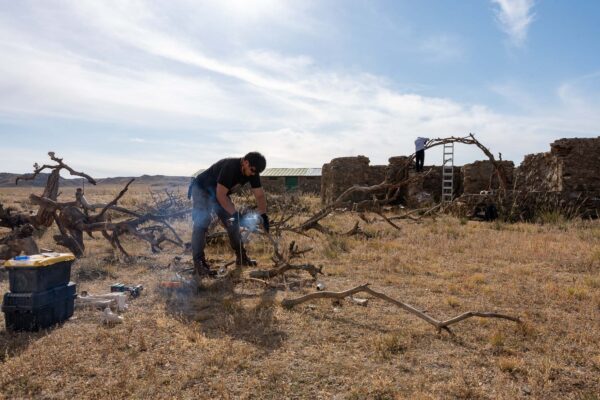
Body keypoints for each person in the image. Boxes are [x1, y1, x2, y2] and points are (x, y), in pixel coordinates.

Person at [188, 152, 270, 278]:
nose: (253, 174)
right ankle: (199, 264)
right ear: (246, 162)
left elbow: (259, 195)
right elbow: (221, 195)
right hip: (201, 189)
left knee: (232, 223)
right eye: (252, 170)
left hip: (218, 194)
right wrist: (236, 215)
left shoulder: (253, 171)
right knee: (202, 222)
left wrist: (263, 216)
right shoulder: (230, 167)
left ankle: (241, 258)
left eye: (256, 172)